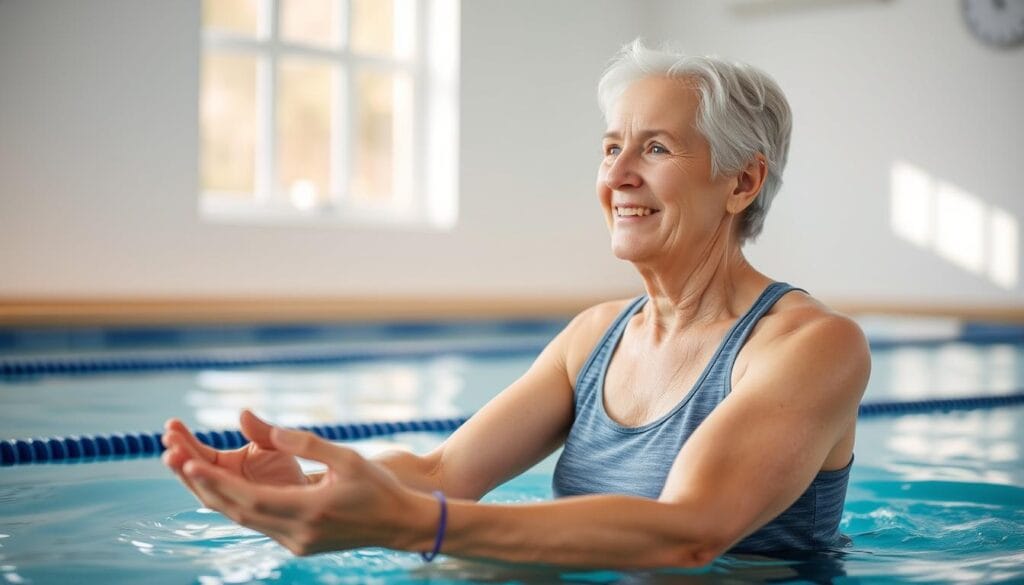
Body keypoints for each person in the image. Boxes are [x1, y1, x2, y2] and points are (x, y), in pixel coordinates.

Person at [162, 40, 870, 569]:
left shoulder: (813, 345)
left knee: (476, 555)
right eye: (610, 147)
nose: (617, 175)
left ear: (741, 182)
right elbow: (444, 475)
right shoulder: (595, 336)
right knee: (486, 562)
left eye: (654, 148)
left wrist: (417, 526)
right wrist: (304, 489)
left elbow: (689, 530)